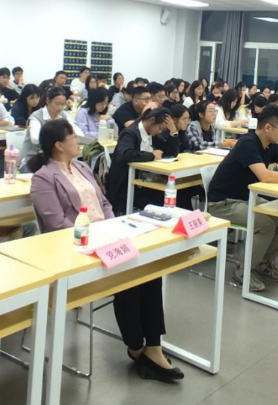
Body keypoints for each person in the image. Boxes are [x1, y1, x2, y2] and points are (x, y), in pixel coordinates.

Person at [28, 118, 182, 381]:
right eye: (73, 137)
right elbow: (57, 226)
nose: (78, 141)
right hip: (77, 247)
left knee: (149, 268)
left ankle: (153, 347)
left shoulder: (82, 167)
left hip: (107, 236)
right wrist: (96, 237)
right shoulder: (43, 178)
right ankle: (137, 348)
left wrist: (113, 227)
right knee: (129, 275)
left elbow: (105, 203)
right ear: (58, 145)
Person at [208, 105, 278, 292]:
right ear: (267, 128)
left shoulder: (271, 145)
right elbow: (265, 176)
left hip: (247, 198)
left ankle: (264, 263)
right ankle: (243, 270)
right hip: (224, 203)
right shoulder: (248, 143)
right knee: (265, 225)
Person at [106, 107, 177, 214]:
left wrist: (173, 132)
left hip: (145, 183)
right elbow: (124, 154)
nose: (159, 131)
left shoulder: (152, 134)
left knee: (175, 196)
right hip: (125, 186)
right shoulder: (130, 133)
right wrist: (151, 155)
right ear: (152, 120)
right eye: (159, 128)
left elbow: (170, 152)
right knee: (161, 202)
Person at [19, 87, 83, 168]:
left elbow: (79, 133)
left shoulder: (64, 115)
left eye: (63, 104)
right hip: (33, 162)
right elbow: (35, 139)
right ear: (48, 101)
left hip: (55, 162)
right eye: (57, 104)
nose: (60, 107)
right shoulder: (36, 117)